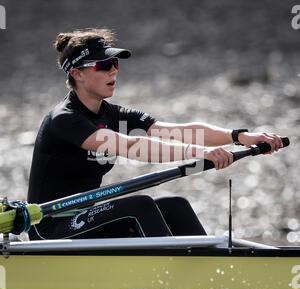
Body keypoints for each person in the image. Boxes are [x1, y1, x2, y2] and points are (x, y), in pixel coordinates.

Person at [27, 28, 283, 240]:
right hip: (49, 227)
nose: (113, 71)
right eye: (104, 65)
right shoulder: (65, 119)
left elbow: (175, 131)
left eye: (114, 63)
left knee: (175, 204)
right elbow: (131, 146)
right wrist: (202, 153)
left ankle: (211, 273)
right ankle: (172, 279)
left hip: (82, 218)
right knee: (140, 206)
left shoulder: (111, 114)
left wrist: (240, 136)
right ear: (77, 74)